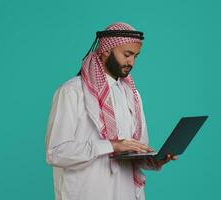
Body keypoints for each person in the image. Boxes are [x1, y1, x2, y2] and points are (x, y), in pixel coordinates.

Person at [45, 22, 176, 200]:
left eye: (136, 56)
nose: (131, 62)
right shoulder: (72, 91)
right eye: (127, 54)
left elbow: (134, 151)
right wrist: (111, 145)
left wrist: (153, 161)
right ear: (106, 50)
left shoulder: (133, 95)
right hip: (86, 192)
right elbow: (56, 153)